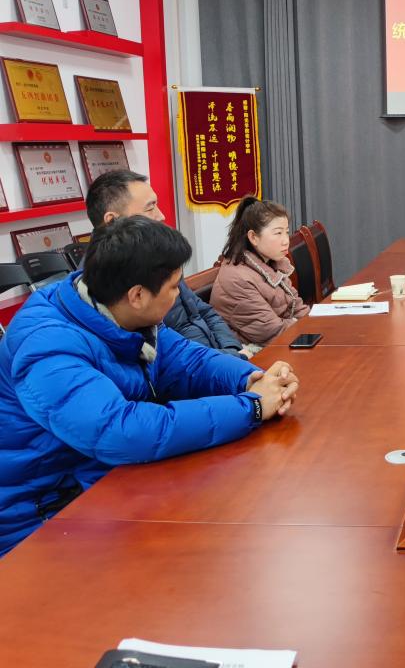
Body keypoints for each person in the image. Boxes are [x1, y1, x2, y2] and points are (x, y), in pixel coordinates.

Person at [0, 217, 299, 556]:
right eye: (173, 287)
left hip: (103, 482)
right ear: (138, 295)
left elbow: (186, 359)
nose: (179, 294)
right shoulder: (47, 347)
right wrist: (252, 406)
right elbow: (121, 431)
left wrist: (252, 379)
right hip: (40, 518)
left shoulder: (116, 310)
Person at [85, 170, 249, 357]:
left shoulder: (157, 256)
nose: (161, 216)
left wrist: (233, 350)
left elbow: (204, 311)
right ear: (113, 221)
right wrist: (233, 360)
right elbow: (168, 355)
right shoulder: (108, 285)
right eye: (150, 208)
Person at [211, 196, 310, 346]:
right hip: (255, 353)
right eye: (278, 233)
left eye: (286, 232)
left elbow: (298, 308)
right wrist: (306, 324)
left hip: (282, 340)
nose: (286, 240)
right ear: (253, 237)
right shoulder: (237, 279)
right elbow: (274, 333)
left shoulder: (272, 263)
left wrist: (317, 323)